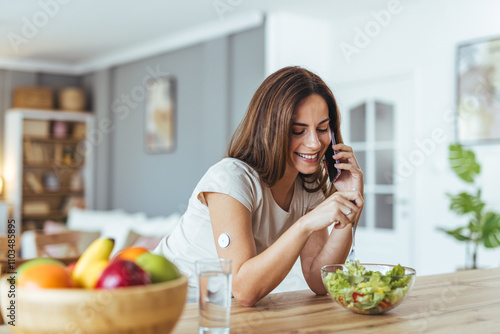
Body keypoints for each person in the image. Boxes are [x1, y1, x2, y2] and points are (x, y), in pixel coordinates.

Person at [153, 66, 364, 306]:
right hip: (164, 302)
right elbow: (244, 289)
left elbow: (320, 280)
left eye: (323, 128)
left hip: (221, 309)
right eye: (298, 130)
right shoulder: (231, 179)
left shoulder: (308, 184)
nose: (315, 143)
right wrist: (306, 223)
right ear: (270, 129)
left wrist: (349, 201)